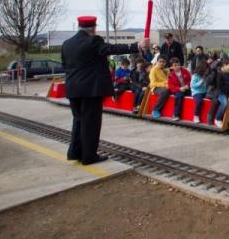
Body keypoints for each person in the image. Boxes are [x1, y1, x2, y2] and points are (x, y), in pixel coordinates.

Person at [61, 15, 148, 165]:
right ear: (93, 28)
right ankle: (89, 156)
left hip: (73, 88)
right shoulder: (93, 40)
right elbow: (111, 49)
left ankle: (75, 152)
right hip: (91, 89)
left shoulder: (67, 44)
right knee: (91, 123)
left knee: (79, 120)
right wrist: (137, 46)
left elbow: (65, 65)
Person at [167, 57, 191, 121]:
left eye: (178, 64)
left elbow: (190, 80)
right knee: (178, 96)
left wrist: (187, 86)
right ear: (171, 67)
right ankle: (176, 114)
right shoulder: (171, 75)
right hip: (177, 90)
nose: (177, 66)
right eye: (175, 65)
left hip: (187, 88)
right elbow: (171, 86)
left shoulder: (185, 71)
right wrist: (179, 89)